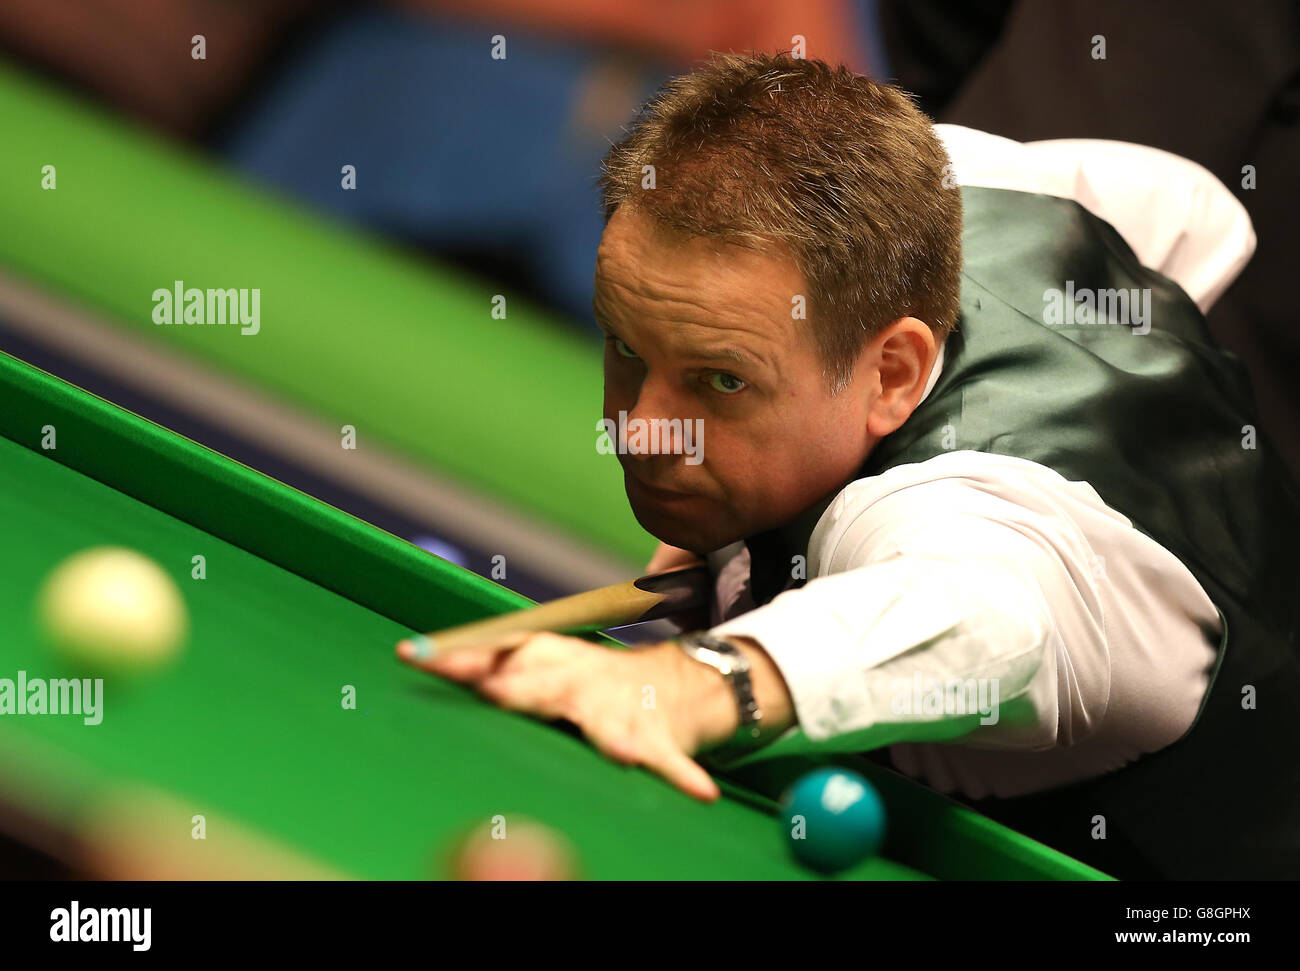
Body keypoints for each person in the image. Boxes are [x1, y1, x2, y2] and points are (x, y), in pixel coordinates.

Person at [399, 52, 1300, 879]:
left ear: (894, 373)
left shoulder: (975, 528)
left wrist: (697, 679)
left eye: (720, 379)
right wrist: (753, 544)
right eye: (627, 346)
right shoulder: (941, 188)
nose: (642, 432)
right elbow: (1188, 212)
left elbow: (985, 618)